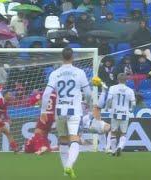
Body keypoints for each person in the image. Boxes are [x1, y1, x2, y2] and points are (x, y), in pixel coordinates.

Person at [40, 47, 92, 178]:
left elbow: (46, 94)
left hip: (59, 111)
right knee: (75, 139)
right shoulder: (80, 72)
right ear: (72, 57)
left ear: (62, 58)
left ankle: (65, 171)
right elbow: (88, 93)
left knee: (63, 140)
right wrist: (88, 104)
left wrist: (43, 111)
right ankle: (69, 166)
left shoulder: (55, 73)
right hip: (74, 110)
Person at [106, 73, 136, 156]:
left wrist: (107, 107)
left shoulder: (113, 88)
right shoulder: (130, 90)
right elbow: (133, 103)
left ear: (117, 79)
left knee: (113, 132)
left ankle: (113, 150)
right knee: (123, 132)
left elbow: (109, 98)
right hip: (125, 113)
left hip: (115, 112)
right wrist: (131, 109)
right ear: (126, 80)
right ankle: (120, 146)